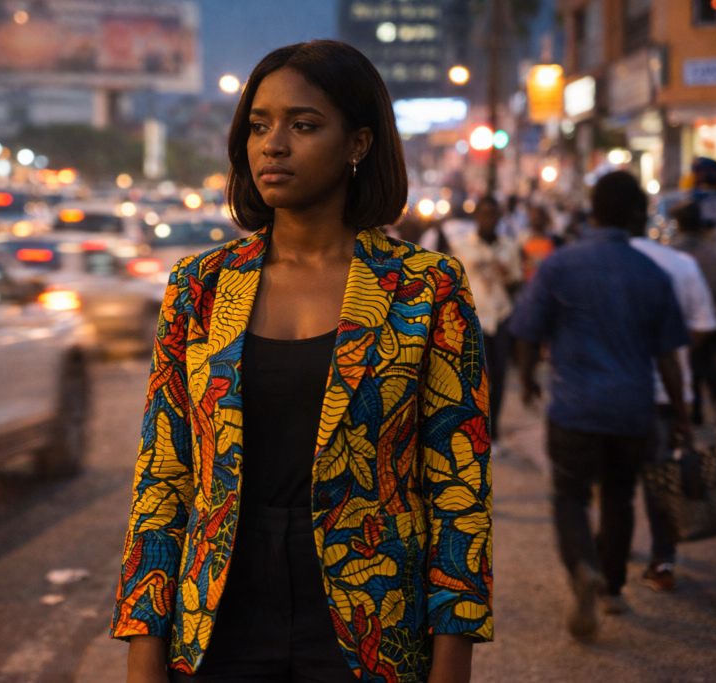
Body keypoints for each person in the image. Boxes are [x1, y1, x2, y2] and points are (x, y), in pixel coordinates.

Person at [112, 41, 493, 683]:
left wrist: (452, 657)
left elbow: (459, 491)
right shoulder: (199, 286)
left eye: (304, 125)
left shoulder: (426, 289)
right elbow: (163, 476)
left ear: (358, 143)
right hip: (216, 624)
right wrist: (143, 646)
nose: (273, 145)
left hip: (371, 624)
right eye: (259, 126)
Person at [509, 171, 692, 642]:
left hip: (574, 408)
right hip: (633, 410)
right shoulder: (653, 272)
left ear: (591, 210)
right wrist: (682, 416)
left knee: (570, 495)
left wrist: (528, 379)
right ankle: (611, 588)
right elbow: (669, 358)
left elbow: (528, 330)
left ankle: (582, 568)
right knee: (619, 495)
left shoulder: (560, 264)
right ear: (635, 215)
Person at [631, 231, 716, 591]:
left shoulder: (587, 263)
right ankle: (662, 561)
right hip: (663, 395)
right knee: (660, 479)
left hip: (615, 392)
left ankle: (607, 566)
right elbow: (702, 325)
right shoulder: (679, 265)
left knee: (614, 483)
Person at [449, 196, 521, 449]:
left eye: (494, 214)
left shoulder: (509, 247)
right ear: (476, 217)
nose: (489, 220)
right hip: (474, 318)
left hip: (500, 317)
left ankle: (494, 431)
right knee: (473, 376)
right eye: (484, 214)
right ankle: (472, 429)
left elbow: (516, 285)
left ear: (499, 218)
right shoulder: (461, 247)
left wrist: (507, 275)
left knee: (499, 375)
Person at [672, 201, 716, 428]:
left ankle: (693, 417)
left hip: (685, 325)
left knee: (690, 372)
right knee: (713, 373)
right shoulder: (714, 253)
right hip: (712, 323)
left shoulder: (673, 253)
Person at [520, 205, 555, 282]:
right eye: (533, 217)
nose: (536, 219)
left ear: (544, 218)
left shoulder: (553, 239)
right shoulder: (523, 239)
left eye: (538, 216)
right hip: (529, 282)